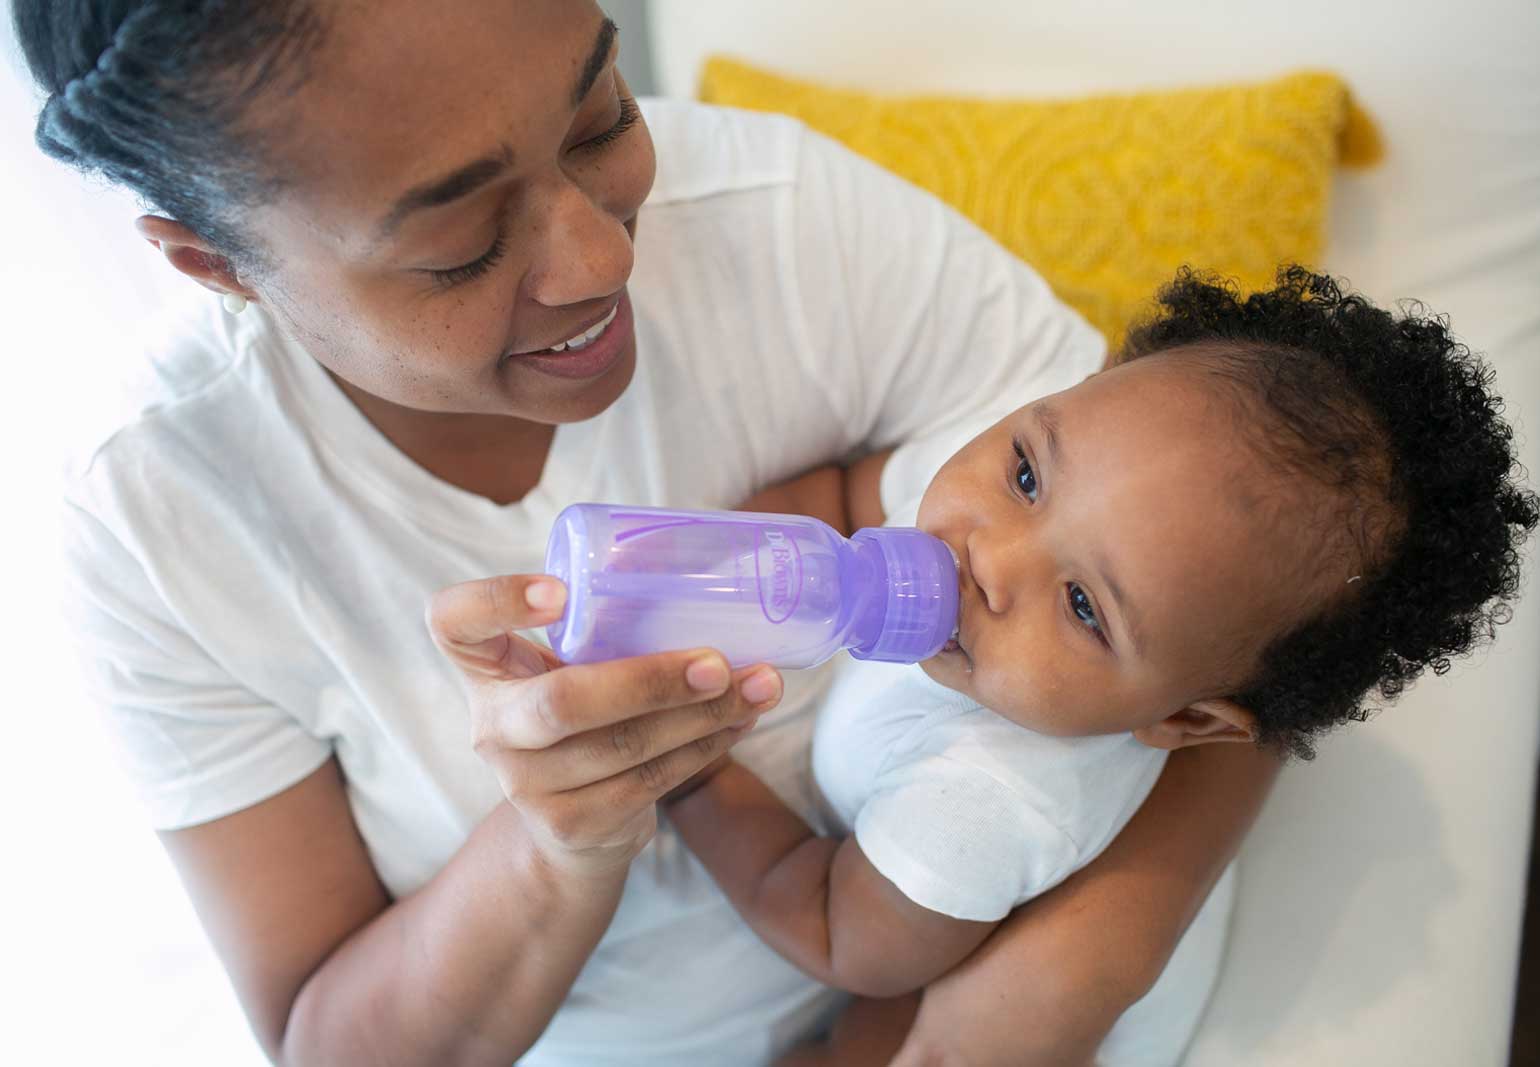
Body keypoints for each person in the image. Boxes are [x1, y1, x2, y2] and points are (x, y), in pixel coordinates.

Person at [26, 1, 1278, 1063]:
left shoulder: (794, 225)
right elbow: (332, 1040)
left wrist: (1082, 960)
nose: (597, 253)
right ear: (217, 264)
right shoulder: (158, 521)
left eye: (599, 121)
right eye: (462, 246)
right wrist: (555, 841)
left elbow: (1242, 584)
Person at [664, 268, 1540, 1065]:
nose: (990, 558)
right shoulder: (990, 473)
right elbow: (852, 492)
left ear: (1185, 720)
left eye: (1085, 606)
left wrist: (691, 773)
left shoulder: (988, 800)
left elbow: (829, 921)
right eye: (1027, 477)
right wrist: (725, 562)